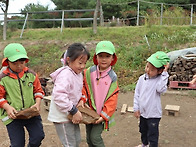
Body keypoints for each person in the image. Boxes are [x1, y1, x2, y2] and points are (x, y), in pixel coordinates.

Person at [0, 43, 45, 147]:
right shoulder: (3, 78)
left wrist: (37, 104)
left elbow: (38, 91)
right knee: (17, 144)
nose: (19, 65)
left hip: (31, 113)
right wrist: (7, 107)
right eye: (15, 63)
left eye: (22, 62)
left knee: (38, 137)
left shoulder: (31, 75)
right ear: (7, 62)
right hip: (13, 116)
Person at [78, 41, 120, 147]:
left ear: (113, 58)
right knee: (89, 138)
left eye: (107, 56)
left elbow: (112, 98)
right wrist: (83, 99)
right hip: (89, 111)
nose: (104, 59)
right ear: (96, 57)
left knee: (95, 138)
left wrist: (104, 115)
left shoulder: (112, 77)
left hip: (101, 114)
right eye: (101, 56)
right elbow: (83, 86)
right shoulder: (89, 72)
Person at [48, 43, 90, 147]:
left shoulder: (77, 73)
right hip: (62, 116)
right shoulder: (65, 75)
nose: (82, 66)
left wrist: (81, 100)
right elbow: (59, 96)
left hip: (70, 114)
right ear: (68, 60)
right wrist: (74, 110)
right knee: (70, 143)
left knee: (76, 140)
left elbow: (76, 90)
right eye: (80, 63)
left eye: (84, 63)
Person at [133, 51, 170, 147]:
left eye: (152, 69)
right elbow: (137, 93)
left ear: (160, 71)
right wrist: (136, 108)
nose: (148, 70)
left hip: (153, 114)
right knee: (143, 130)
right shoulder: (142, 79)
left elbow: (160, 89)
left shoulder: (160, 81)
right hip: (143, 113)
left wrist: (165, 74)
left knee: (152, 134)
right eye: (147, 66)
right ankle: (144, 144)